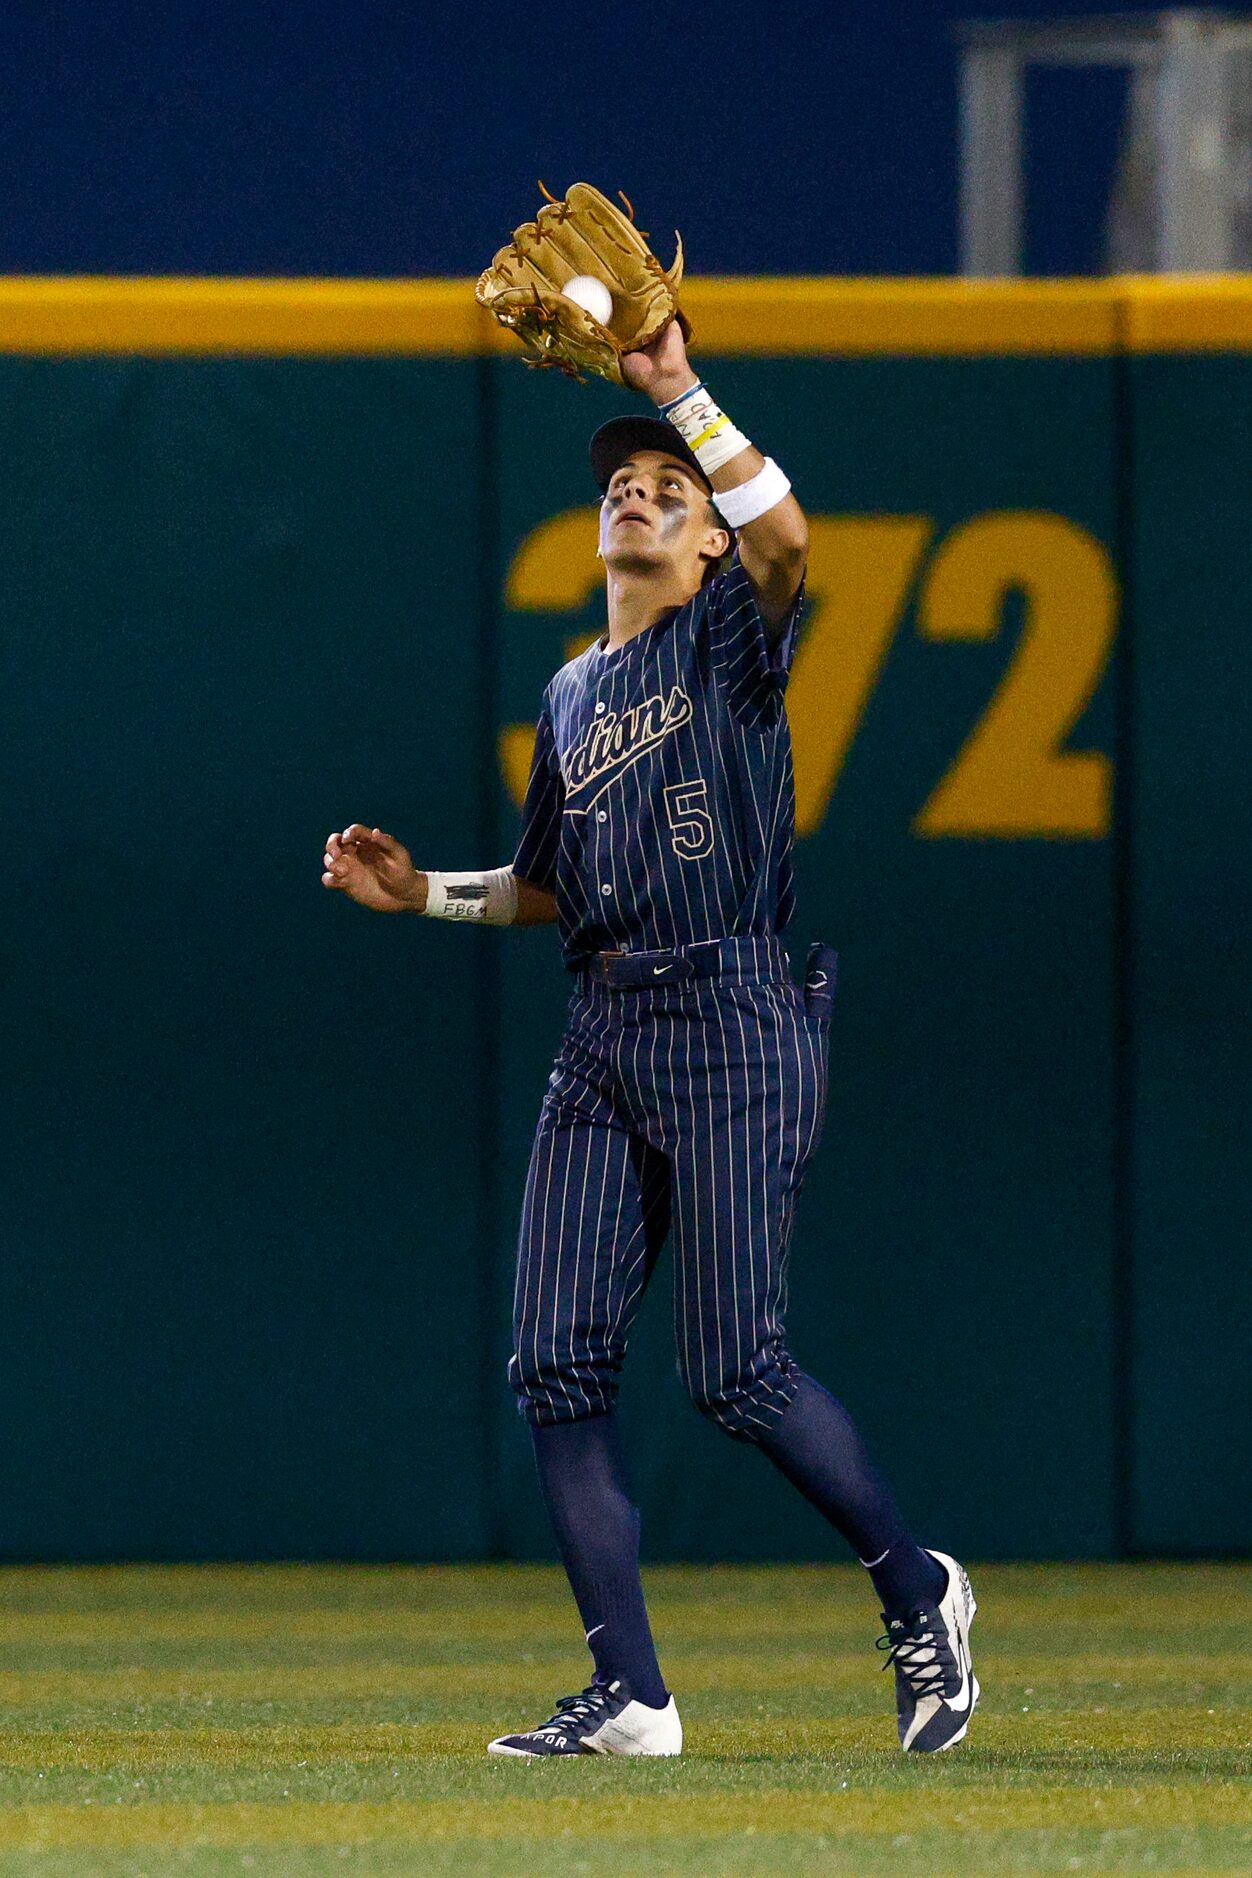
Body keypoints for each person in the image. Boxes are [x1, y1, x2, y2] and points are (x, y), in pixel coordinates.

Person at [322, 316, 978, 1758]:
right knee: (553, 1357)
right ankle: (632, 1693)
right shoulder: (569, 692)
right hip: (606, 1022)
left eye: (671, 491)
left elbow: (794, 544)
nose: (640, 491)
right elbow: (547, 887)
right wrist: (421, 888)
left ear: (704, 551)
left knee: (735, 1370)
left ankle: (917, 1587)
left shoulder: (730, 636)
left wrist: (677, 389)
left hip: (735, 1011)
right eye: (627, 481)